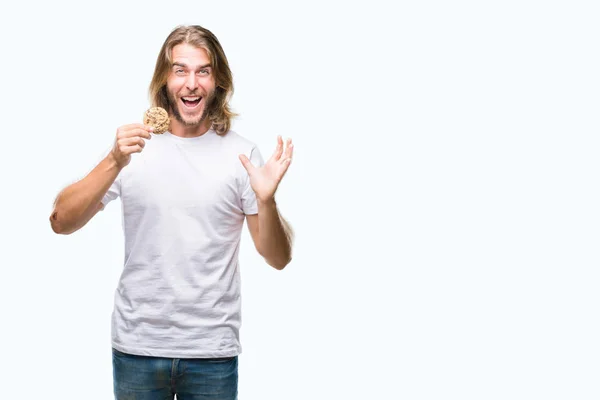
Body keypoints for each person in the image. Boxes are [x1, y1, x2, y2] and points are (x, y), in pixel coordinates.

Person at [49, 24, 294, 400]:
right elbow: (60, 222)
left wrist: (267, 200)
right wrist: (114, 160)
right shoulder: (131, 150)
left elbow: (278, 259)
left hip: (212, 352)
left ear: (219, 81)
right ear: (165, 80)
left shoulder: (241, 155)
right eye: (180, 70)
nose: (191, 83)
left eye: (203, 71)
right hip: (138, 349)